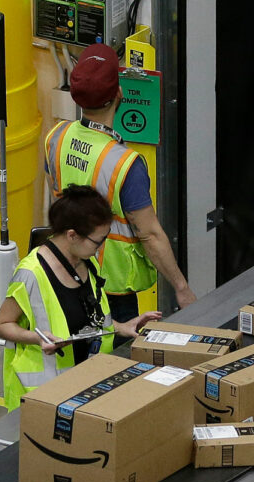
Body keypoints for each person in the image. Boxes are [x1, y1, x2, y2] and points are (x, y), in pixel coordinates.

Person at [43, 43, 195, 341]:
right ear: (119, 95)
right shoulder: (125, 164)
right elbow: (149, 235)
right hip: (112, 288)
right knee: (117, 369)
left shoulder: (55, 138)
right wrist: (181, 287)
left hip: (65, 272)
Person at [0, 185, 162, 411]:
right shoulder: (31, 274)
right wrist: (38, 338)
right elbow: (2, 325)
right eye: (98, 241)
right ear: (72, 235)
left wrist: (122, 327)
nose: (101, 248)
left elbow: (90, 320)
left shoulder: (87, 262)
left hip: (87, 388)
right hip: (45, 397)